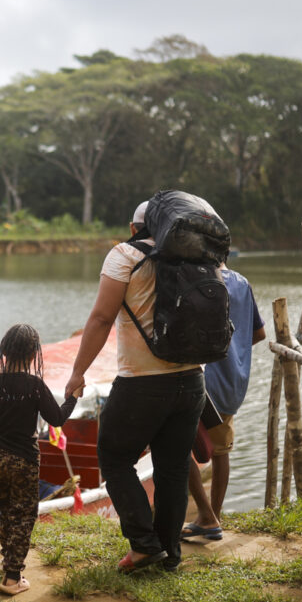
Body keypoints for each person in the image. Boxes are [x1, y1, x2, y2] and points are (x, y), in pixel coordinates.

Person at [65, 199, 207, 574]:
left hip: (143, 382)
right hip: (193, 380)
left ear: (133, 228)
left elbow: (99, 318)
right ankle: (169, 553)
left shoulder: (124, 255)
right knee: (173, 468)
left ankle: (144, 546)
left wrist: (78, 372)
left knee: (113, 457)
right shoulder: (198, 258)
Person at [0, 323, 78, 596]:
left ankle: (9, 563)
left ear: (4, 350)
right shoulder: (35, 386)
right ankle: (12, 578)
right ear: (33, 356)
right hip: (25, 460)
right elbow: (58, 418)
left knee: (6, 509)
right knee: (25, 515)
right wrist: (72, 397)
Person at [184, 264, 265, 540]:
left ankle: (206, 515)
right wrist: (235, 351)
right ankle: (214, 516)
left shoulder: (201, 281)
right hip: (233, 381)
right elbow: (258, 334)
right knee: (221, 452)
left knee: (176, 442)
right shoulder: (242, 282)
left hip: (204, 379)